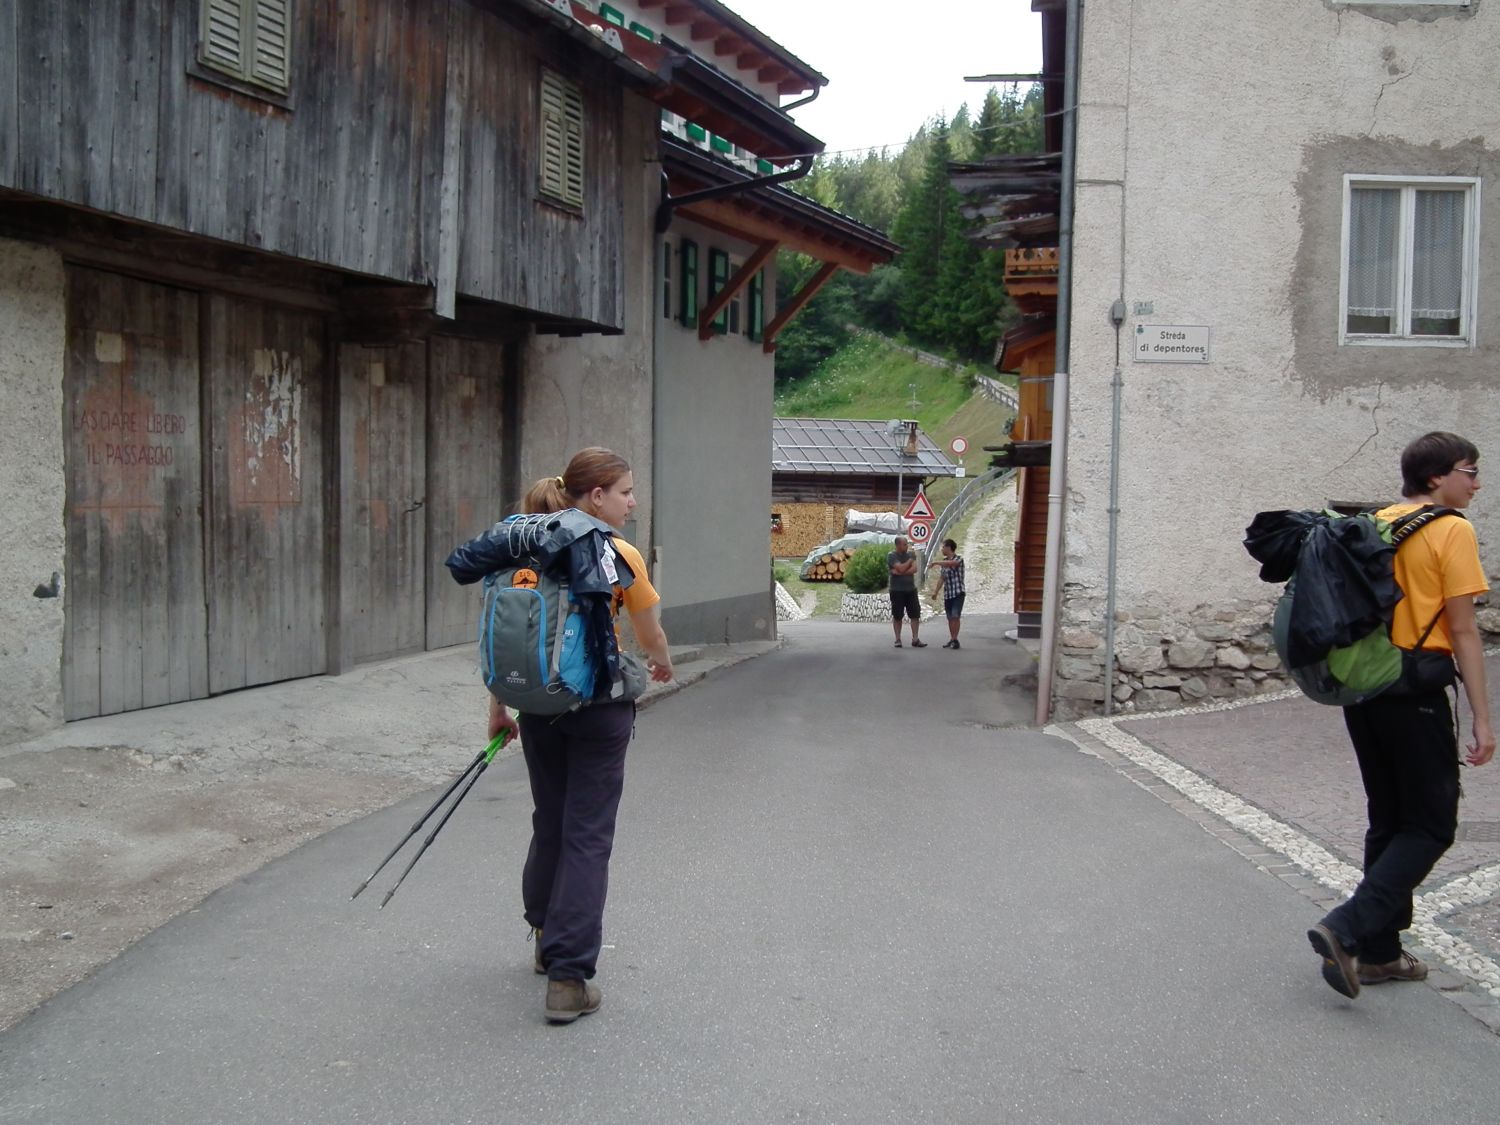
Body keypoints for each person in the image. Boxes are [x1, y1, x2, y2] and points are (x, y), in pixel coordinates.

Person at [486, 448, 675, 1024]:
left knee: (551, 819)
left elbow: (509, 632)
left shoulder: (526, 550)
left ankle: (546, 938)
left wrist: (499, 705)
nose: (632, 502)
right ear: (596, 497)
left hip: (537, 704)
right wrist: (662, 663)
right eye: (625, 492)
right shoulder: (618, 552)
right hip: (597, 708)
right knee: (587, 835)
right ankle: (568, 979)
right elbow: (649, 631)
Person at [1307, 432, 1493, 999]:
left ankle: (1382, 954)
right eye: (1469, 471)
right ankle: (1347, 928)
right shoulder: (1451, 529)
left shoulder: (1376, 521)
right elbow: (1463, 630)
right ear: (1437, 477)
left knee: (1388, 818)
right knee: (1431, 825)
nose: (1476, 483)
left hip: (1365, 689)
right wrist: (1483, 718)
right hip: (1414, 690)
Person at [886, 535, 925, 648]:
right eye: (904, 544)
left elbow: (914, 569)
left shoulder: (909, 554)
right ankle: (898, 639)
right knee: (897, 615)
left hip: (911, 589)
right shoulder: (892, 556)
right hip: (897, 590)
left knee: (915, 614)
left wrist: (900, 571)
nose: (907, 546)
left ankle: (915, 639)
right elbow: (902, 568)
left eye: (907, 544)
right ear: (898, 545)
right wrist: (910, 561)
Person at [926, 538, 966, 649]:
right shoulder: (944, 562)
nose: (942, 549)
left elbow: (952, 563)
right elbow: (942, 578)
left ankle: (955, 639)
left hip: (958, 592)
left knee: (955, 616)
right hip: (948, 594)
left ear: (949, 547)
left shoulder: (959, 559)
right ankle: (952, 639)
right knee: (950, 618)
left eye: (943, 547)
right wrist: (936, 592)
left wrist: (936, 563)